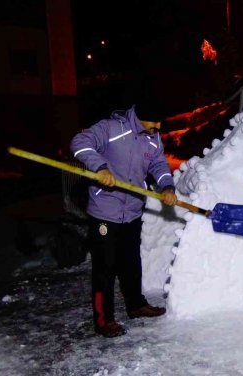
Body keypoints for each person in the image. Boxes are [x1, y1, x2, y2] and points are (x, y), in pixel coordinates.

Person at [70, 99, 178, 338]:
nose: (158, 126)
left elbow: (158, 164)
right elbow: (79, 142)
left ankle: (136, 305)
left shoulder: (153, 137)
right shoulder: (111, 128)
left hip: (131, 211)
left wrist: (167, 186)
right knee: (105, 266)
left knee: (131, 262)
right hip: (104, 213)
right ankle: (103, 319)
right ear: (141, 116)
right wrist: (100, 167)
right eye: (155, 121)